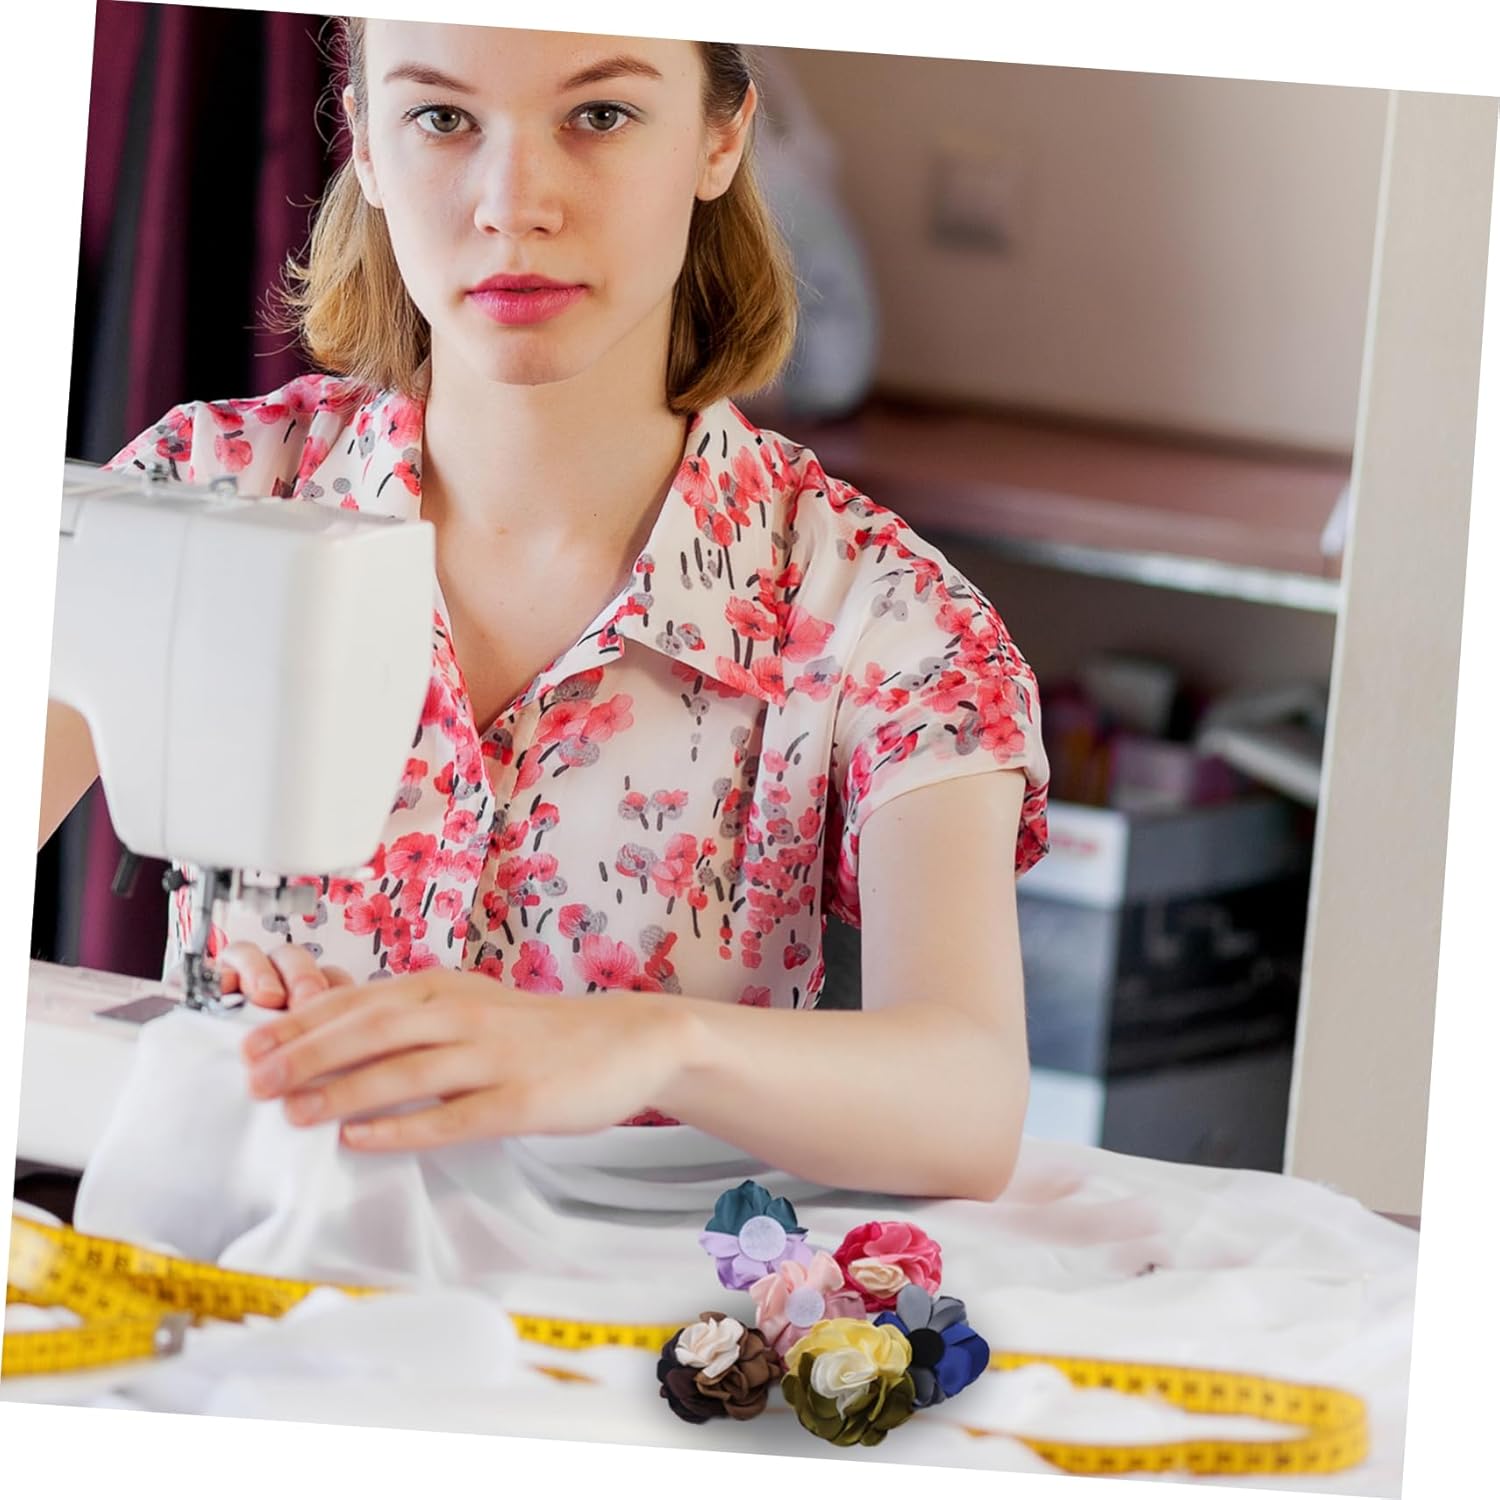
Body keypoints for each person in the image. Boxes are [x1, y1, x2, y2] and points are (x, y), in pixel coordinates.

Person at [38, 22, 1049, 1201]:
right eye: (442, 118)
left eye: (599, 116)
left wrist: (648, 1042)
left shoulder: (887, 618)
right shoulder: (201, 498)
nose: (514, 206)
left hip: (621, 1302)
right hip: (242, 1272)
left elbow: (969, 1101)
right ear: (365, 143)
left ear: (721, 138)